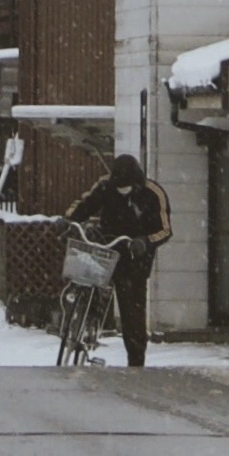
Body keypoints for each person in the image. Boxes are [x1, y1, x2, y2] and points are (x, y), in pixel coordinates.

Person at [70, 151, 170, 369]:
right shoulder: (105, 186)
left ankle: (135, 362)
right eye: (118, 187)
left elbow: (165, 230)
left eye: (126, 187)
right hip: (106, 248)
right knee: (85, 278)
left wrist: (145, 241)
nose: (121, 191)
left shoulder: (152, 194)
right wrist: (68, 220)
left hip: (135, 258)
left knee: (131, 312)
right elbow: (85, 205)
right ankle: (83, 325)